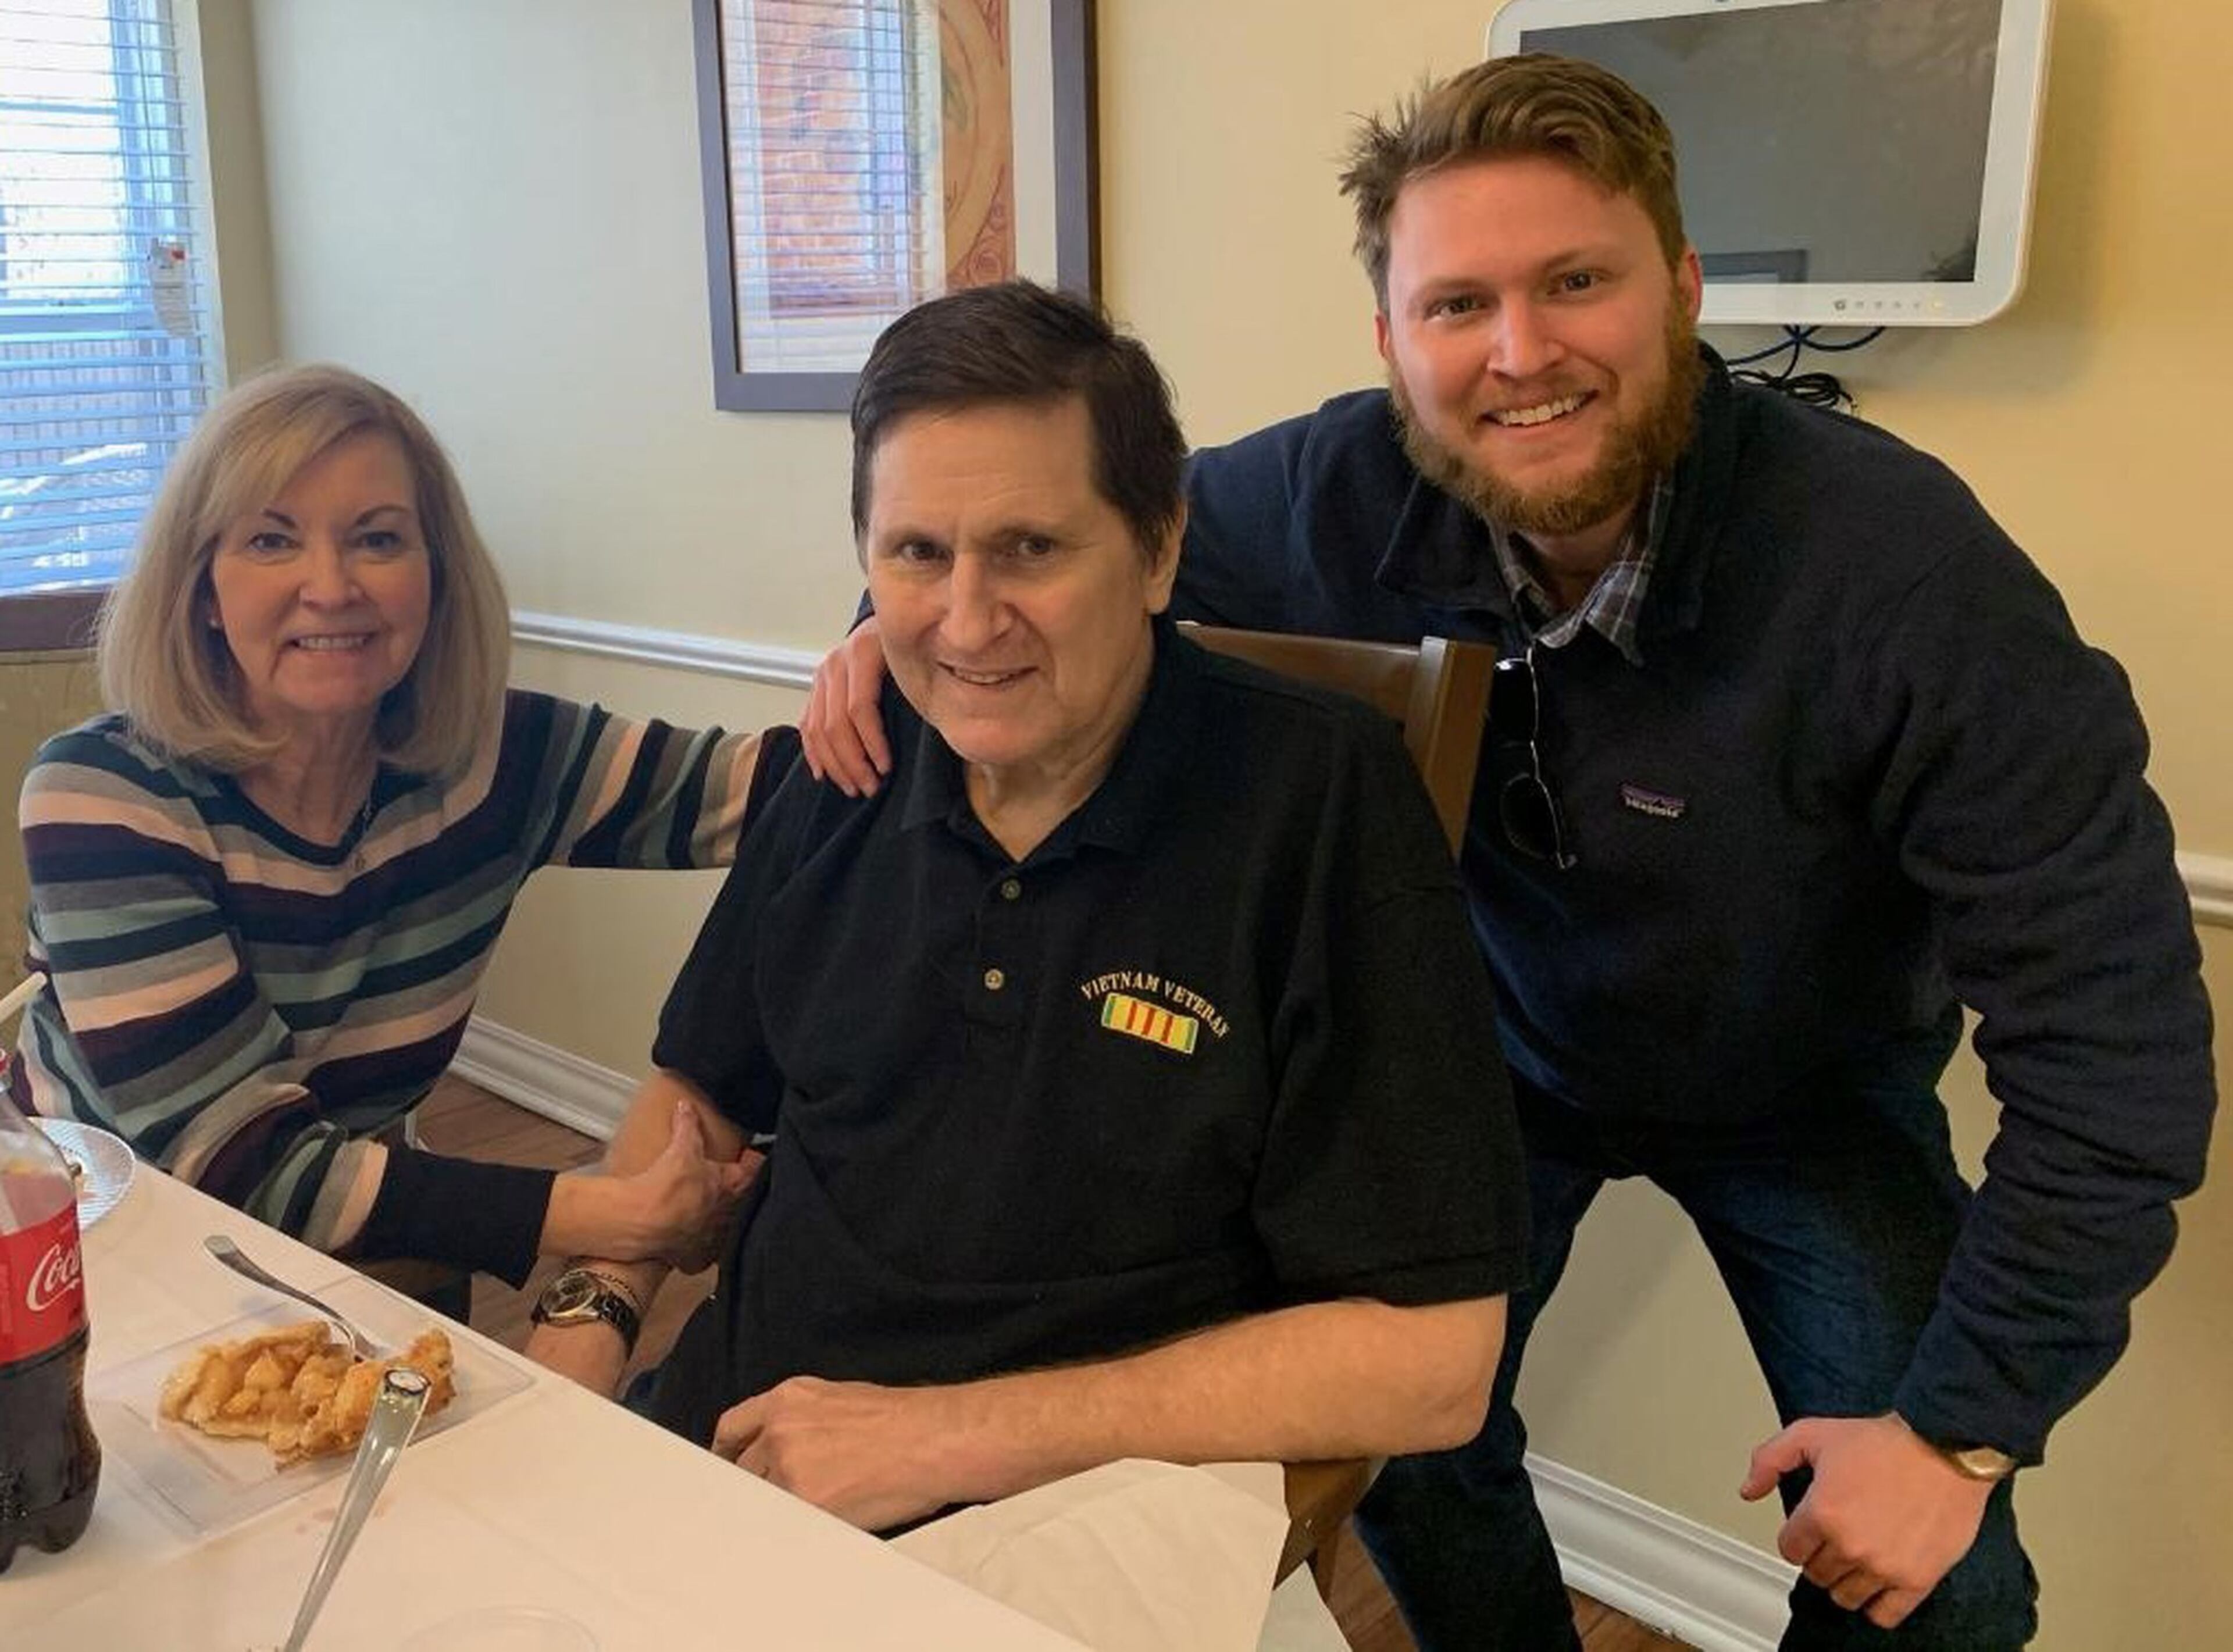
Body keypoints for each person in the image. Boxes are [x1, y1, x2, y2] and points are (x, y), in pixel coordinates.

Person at [798, 55, 2218, 1652]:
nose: (1520, 353)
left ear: (1680, 287)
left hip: (1811, 1089)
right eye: (1458, 304)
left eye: (1577, 283)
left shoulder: (1908, 578)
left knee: (1949, 1586)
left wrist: (1958, 1432)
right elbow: (1071, 525)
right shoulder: (1328, 491)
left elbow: (2124, 1054)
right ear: (1393, 341)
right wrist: (880, 628)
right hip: (1488, 1060)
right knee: (1401, 1433)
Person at [526, 280, 1529, 1536]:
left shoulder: (1315, 800)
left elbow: (1435, 1359)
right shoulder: (853, 756)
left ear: (1159, 547)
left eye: (1030, 549)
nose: (965, 620)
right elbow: (697, 1098)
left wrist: (943, 1439)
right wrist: (564, 1375)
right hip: (741, 1456)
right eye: (917, 553)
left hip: (1068, 1516)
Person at [13, 364, 772, 1296]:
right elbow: (236, 1162)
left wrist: (875, 652)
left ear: (435, 577)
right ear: (204, 586)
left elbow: (780, 789)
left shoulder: (497, 759)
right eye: (270, 539)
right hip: (92, 1258)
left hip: (371, 1252)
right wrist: (614, 1209)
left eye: (377, 538)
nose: (330, 587)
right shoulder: (105, 796)